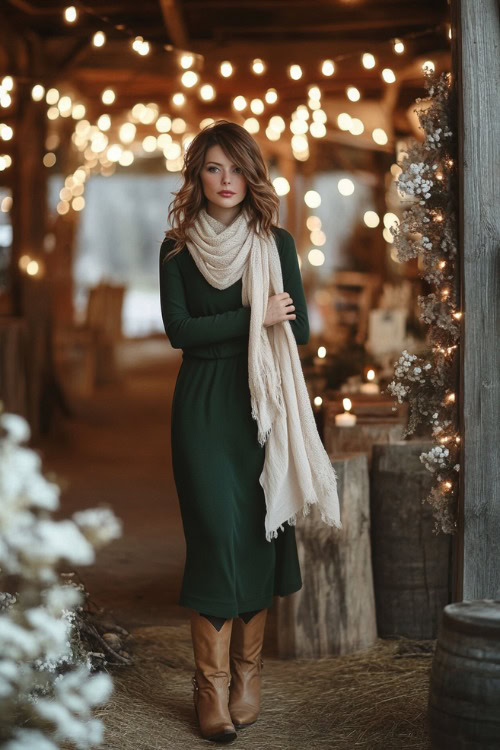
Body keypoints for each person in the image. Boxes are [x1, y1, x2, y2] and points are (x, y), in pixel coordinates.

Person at [159, 120, 341, 743]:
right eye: (214, 168)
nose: (226, 180)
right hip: (204, 407)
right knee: (215, 534)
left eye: (237, 168)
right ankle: (208, 687)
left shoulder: (277, 242)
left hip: (263, 406)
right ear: (198, 175)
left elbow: (303, 332)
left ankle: (246, 676)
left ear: (251, 175)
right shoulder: (177, 247)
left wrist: (267, 320)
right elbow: (179, 331)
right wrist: (252, 316)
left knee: (260, 536)